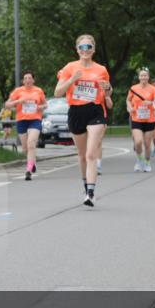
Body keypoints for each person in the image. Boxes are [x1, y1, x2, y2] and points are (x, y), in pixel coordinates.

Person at [54, 34, 111, 207]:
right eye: (82, 47)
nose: (85, 50)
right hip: (76, 111)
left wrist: (108, 88)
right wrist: (72, 79)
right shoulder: (70, 67)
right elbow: (57, 92)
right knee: (82, 156)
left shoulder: (101, 69)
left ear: (93, 49)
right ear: (77, 50)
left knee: (91, 154)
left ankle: (91, 193)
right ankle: (86, 186)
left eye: (88, 47)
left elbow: (108, 91)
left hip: (95, 111)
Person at [5, 71, 47, 181]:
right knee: (25, 148)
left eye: (29, 78)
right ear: (23, 81)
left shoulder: (38, 91)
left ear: (33, 80)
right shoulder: (18, 91)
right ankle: (33, 162)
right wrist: (19, 101)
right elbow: (7, 105)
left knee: (31, 144)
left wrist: (40, 107)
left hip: (35, 120)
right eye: (25, 78)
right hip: (22, 120)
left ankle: (28, 170)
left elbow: (45, 104)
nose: (28, 80)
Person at [126, 68, 155, 173]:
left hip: (150, 120)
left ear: (148, 77)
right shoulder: (133, 88)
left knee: (147, 144)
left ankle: (147, 162)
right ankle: (139, 160)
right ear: (139, 77)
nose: (143, 77)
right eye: (141, 75)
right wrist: (130, 107)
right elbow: (128, 100)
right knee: (138, 142)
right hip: (136, 118)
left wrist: (151, 103)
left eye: (145, 75)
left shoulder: (153, 89)